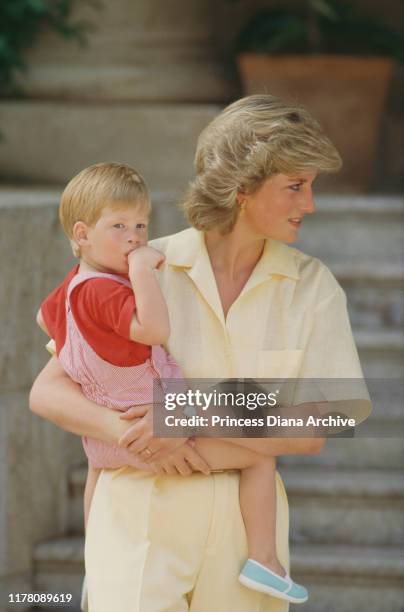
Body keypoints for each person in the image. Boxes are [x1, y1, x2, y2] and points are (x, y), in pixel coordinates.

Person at [30, 94, 371, 612]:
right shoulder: (139, 266)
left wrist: (182, 412)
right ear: (241, 188)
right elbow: (49, 391)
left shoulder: (313, 287)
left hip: (247, 537)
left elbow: (319, 425)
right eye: (295, 187)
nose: (311, 205)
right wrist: (133, 434)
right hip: (137, 513)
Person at [36, 160, 308, 604]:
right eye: (120, 226)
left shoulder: (74, 288)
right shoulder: (117, 285)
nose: (135, 238)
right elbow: (154, 331)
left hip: (114, 438)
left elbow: (46, 322)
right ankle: (265, 560)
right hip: (161, 423)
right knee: (261, 453)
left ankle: (95, 566)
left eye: (141, 225)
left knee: (96, 475)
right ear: (82, 234)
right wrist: (142, 271)